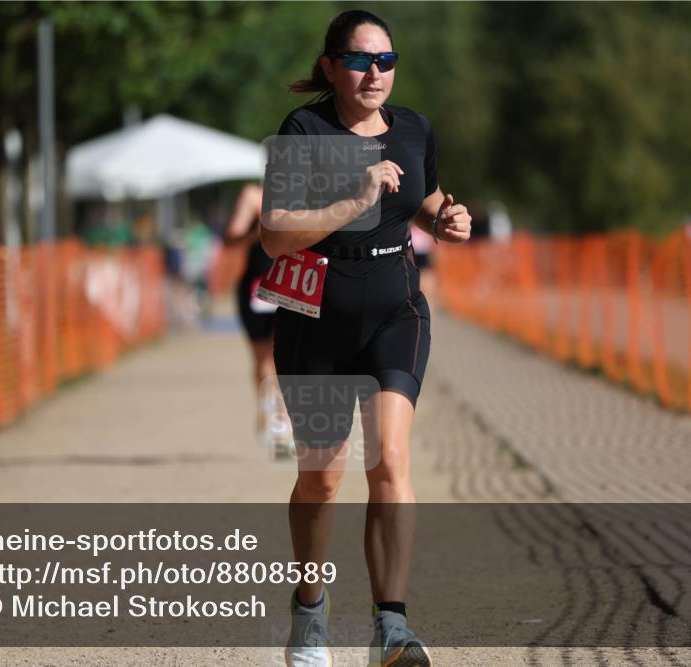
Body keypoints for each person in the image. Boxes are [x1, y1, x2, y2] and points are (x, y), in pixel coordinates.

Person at [258, 9, 471, 667]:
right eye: (360, 60)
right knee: (322, 479)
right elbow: (273, 235)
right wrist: (355, 198)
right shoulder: (303, 130)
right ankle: (311, 612)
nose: (375, 72)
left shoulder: (413, 128)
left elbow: (426, 198)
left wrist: (448, 217)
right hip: (312, 315)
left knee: (390, 462)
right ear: (330, 66)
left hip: (395, 311)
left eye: (386, 60)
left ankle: (392, 625)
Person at [221, 183, 294, 458]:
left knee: (289, 359)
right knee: (264, 361)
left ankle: (282, 423)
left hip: (295, 282)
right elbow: (231, 237)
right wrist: (262, 231)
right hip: (259, 284)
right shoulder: (253, 196)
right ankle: (277, 423)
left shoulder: (307, 192)